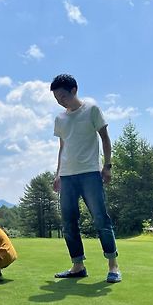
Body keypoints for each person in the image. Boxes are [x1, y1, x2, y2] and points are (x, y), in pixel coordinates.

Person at [50, 74, 121, 283]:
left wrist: (107, 166)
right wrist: (58, 174)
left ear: (74, 90)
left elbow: (105, 139)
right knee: (69, 223)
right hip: (67, 177)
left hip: (90, 173)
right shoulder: (60, 119)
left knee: (101, 219)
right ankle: (78, 265)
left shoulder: (92, 109)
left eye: (63, 96)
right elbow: (62, 148)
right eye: (56, 98)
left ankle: (113, 266)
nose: (60, 101)